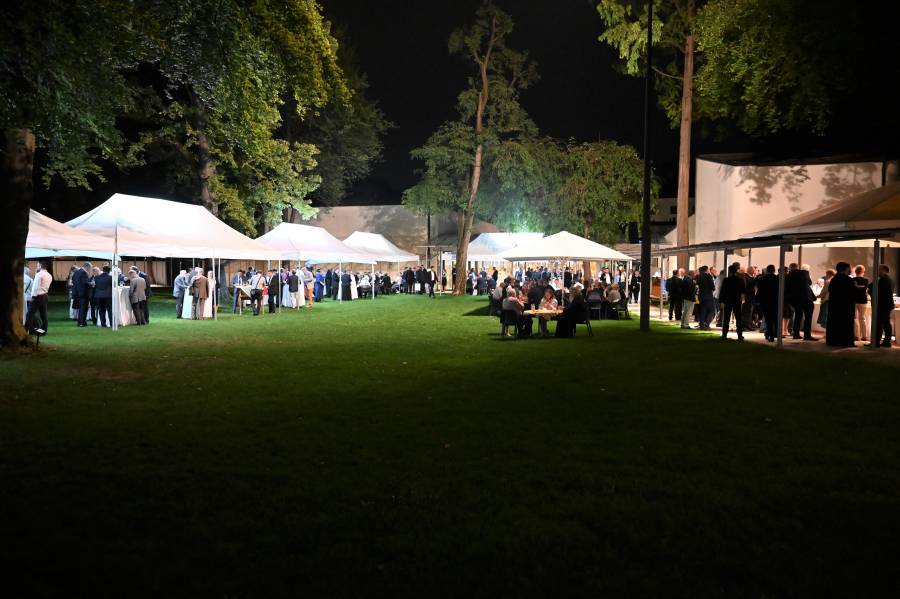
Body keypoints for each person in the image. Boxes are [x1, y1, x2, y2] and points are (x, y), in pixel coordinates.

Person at [824, 263, 856, 347]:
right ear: (844, 269)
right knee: (846, 324)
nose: (850, 270)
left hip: (834, 306)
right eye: (849, 268)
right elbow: (852, 294)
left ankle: (833, 340)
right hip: (846, 307)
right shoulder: (848, 280)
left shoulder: (834, 279)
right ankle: (845, 342)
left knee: (834, 324)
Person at [786, 263, 816, 340]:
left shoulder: (788, 276)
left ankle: (796, 334)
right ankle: (807, 335)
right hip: (807, 298)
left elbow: (787, 290)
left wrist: (789, 303)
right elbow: (809, 283)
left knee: (798, 317)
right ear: (797, 267)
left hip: (796, 300)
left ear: (790, 269)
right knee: (808, 318)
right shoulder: (805, 272)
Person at [870, 265, 894, 348]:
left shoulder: (884, 280)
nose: (877, 271)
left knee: (879, 323)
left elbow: (877, 291)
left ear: (884, 270)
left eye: (879, 270)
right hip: (886, 305)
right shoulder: (888, 280)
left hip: (882, 305)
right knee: (886, 323)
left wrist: (870, 287)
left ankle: (876, 342)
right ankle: (887, 342)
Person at [719, 264, 746, 340]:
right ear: (736, 271)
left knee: (726, 318)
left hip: (728, 301)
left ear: (730, 271)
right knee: (738, 318)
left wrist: (721, 301)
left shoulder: (726, 280)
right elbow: (743, 291)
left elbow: (723, 291)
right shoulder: (740, 280)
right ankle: (740, 335)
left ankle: (724, 334)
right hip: (737, 300)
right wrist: (742, 299)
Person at [26, 262, 53, 335]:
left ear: (40, 266)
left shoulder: (39, 274)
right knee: (44, 314)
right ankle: (44, 331)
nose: (36, 267)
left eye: (37, 265)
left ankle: (25, 330)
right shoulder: (49, 275)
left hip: (37, 296)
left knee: (30, 314)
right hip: (45, 295)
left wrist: (33, 296)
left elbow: (35, 287)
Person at [755, 265, 779, 342]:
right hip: (775, 301)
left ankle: (769, 334)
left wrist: (757, 300)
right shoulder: (777, 279)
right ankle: (773, 334)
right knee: (775, 318)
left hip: (764, 301)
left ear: (767, 270)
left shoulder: (761, 279)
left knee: (768, 319)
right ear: (774, 270)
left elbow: (759, 290)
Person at [71, 261, 93, 327]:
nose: (90, 270)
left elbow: (73, 281)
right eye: (90, 268)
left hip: (77, 293)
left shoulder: (76, 272)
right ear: (87, 267)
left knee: (81, 308)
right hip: (83, 293)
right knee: (83, 308)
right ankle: (81, 322)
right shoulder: (83, 272)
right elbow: (85, 283)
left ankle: (81, 322)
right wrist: (91, 284)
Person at [852, 265, 869, 342]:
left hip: (854, 300)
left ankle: (856, 336)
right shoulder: (865, 280)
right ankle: (864, 336)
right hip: (862, 300)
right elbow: (864, 288)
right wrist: (859, 287)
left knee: (855, 318)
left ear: (855, 272)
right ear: (863, 271)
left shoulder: (852, 280)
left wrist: (855, 286)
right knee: (862, 318)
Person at [695, 266, 715, 330]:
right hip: (708, 296)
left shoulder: (698, 276)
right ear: (706, 270)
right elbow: (713, 287)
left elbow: (696, 286)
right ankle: (706, 323)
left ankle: (702, 324)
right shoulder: (709, 276)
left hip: (701, 296)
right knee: (712, 310)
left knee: (703, 311)